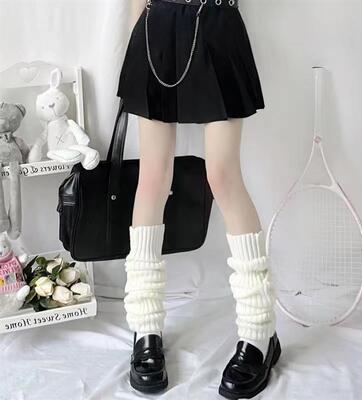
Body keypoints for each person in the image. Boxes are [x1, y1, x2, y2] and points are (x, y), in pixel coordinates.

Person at [116, 0, 281, 398]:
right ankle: (145, 326)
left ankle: (260, 331)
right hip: (156, 30)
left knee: (222, 176)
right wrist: (137, 45)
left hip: (216, 24)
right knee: (152, 178)